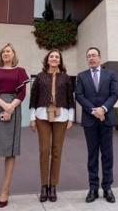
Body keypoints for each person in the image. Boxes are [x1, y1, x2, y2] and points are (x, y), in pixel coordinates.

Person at [0, 43, 29, 208]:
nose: (5, 53)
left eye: (8, 51)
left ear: (13, 54)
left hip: (14, 107)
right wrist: (4, 105)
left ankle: (5, 190)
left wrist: (11, 106)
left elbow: (22, 92)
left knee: (10, 152)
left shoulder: (20, 71)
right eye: (3, 51)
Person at [29, 49, 75, 203]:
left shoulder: (66, 78)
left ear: (60, 60)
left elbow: (70, 98)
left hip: (61, 116)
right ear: (47, 60)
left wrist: (71, 118)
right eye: (51, 56)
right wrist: (32, 118)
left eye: (57, 57)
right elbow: (33, 98)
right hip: (42, 115)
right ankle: (43, 185)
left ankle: (53, 186)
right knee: (44, 151)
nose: (54, 58)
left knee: (57, 151)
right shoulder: (40, 77)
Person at [75, 46, 118, 203]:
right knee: (92, 155)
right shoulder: (81, 76)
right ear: (87, 60)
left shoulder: (110, 74)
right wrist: (94, 111)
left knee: (107, 155)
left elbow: (115, 94)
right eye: (88, 56)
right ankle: (93, 188)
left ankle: (107, 187)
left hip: (107, 120)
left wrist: (103, 109)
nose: (91, 58)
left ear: (99, 58)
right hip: (90, 120)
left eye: (94, 55)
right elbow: (79, 96)